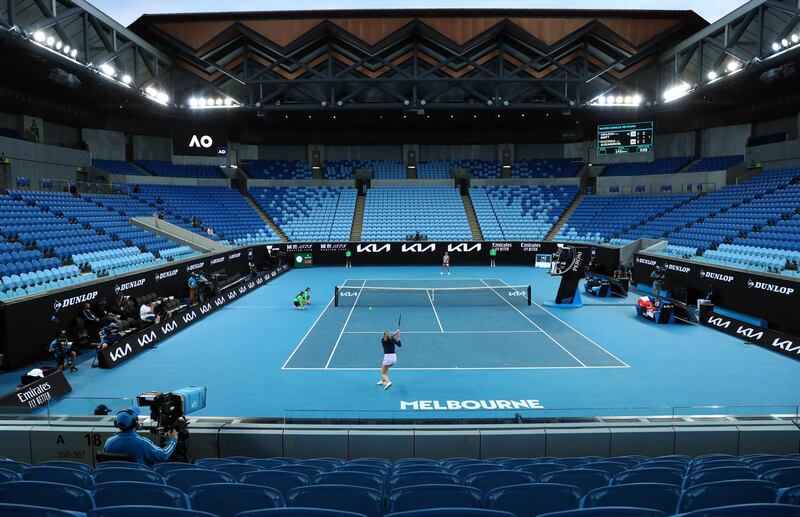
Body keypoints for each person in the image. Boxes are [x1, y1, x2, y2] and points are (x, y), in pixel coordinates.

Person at [103, 407, 178, 467]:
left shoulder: (109, 442)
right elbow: (163, 455)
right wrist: (173, 439)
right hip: (141, 481)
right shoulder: (143, 443)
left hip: (117, 481)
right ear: (135, 422)